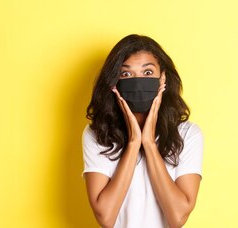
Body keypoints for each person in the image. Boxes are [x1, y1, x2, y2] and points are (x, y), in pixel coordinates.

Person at [82, 34, 204, 228]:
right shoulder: (97, 134)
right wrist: (133, 142)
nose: (138, 82)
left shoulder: (188, 134)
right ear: (114, 82)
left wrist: (148, 143)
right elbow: (105, 218)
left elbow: (178, 218)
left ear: (163, 77)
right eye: (126, 74)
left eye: (147, 73)